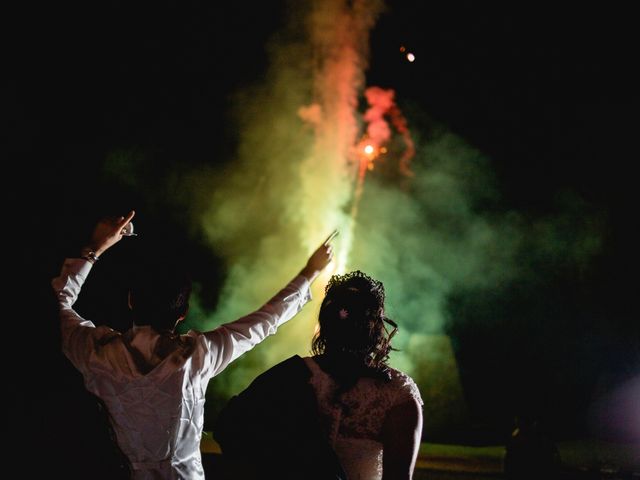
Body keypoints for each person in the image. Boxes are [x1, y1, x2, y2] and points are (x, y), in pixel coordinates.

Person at [51, 210, 336, 480]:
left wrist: (95, 247)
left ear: (130, 300)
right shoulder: (197, 356)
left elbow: (56, 305)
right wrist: (309, 273)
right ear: (183, 312)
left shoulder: (97, 353)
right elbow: (264, 322)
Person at [214, 269, 424, 480]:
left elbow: (229, 429)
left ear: (326, 323)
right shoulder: (397, 394)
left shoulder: (291, 375)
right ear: (377, 326)